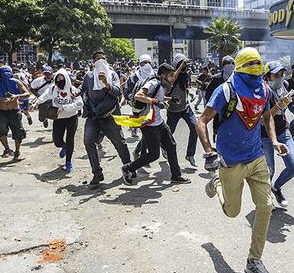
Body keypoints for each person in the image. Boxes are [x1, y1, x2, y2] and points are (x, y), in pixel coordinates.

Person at [195, 47, 287, 273]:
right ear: (240, 66)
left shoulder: (264, 90)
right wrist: (208, 151)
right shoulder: (226, 90)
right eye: (252, 63)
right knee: (232, 212)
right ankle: (217, 183)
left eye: (259, 63)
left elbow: (267, 117)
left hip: (256, 158)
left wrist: (274, 141)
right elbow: (202, 120)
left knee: (265, 208)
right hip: (230, 160)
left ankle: (253, 261)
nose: (257, 67)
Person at [121, 63, 191, 185]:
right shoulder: (154, 82)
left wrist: (169, 99)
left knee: (171, 146)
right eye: (171, 76)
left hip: (158, 122)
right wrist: (155, 101)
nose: (173, 78)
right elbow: (139, 96)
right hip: (149, 124)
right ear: (163, 75)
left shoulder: (161, 84)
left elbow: (157, 97)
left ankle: (176, 175)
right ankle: (128, 168)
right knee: (154, 155)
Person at [81, 51, 133, 185]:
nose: (100, 61)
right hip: (94, 117)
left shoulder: (112, 75)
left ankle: (129, 168)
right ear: (93, 63)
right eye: (97, 59)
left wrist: (106, 83)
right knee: (88, 141)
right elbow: (83, 90)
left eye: (103, 59)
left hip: (110, 116)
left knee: (120, 143)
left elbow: (116, 92)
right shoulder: (89, 76)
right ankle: (97, 173)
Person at [261, 61, 294, 208]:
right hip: (264, 136)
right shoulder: (261, 91)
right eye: (275, 74)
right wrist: (279, 106)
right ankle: (265, 201)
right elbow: (262, 119)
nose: (279, 77)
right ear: (267, 76)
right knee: (268, 170)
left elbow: (286, 106)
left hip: (283, 131)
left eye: (281, 74)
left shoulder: (283, 86)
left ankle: (276, 187)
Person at [36, 68, 83, 172]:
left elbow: (80, 104)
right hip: (58, 118)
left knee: (70, 139)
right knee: (57, 141)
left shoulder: (72, 90)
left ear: (66, 79)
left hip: (71, 117)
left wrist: (64, 107)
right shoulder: (53, 88)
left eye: (62, 79)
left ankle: (68, 162)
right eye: (58, 79)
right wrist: (37, 102)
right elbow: (45, 96)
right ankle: (64, 146)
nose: (59, 82)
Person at [166, 54, 199, 168]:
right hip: (173, 110)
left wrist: (190, 93)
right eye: (181, 64)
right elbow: (173, 79)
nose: (184, 67)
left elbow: (185, 87)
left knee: (195, 128)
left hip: (185, 108)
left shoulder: (185, 75)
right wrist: (180, 66)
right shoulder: (170, 75)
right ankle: (163, 147)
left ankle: (190, 154)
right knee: (168, 133)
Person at [0, 66, 31, 160]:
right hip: (1, 111)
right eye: (3, 73)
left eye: (8, 73)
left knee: (18, 132)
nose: (6, 75)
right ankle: (7, 149)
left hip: (14, 111)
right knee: (0, 130)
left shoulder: (17, 82)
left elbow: (27, 93)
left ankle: (17, 151)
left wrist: (17, 95)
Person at [205, 56, 235, 141]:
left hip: (233, 109)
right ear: (223, 66)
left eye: (233, 63)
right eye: (228, 63)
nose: (231, 65)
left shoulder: (236, 78)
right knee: (219, 131)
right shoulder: (216, 78)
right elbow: (208, 92)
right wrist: (213, 105)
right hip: (219, 111)